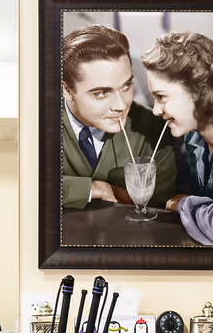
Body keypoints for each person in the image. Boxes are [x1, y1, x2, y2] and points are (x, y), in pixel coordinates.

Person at [59, 25, 175, 211]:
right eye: (102, 93)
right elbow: (26, 186)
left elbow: (163, 205)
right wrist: (94, 188)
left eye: (126, 86)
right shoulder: (38, 125)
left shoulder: (152, 127)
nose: (121, 105)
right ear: (67, 90)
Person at [142, 31, 213, 205]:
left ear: (197, 90)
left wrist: (186, 205)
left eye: (161, 97)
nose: (156, 110)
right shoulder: (191, 138)